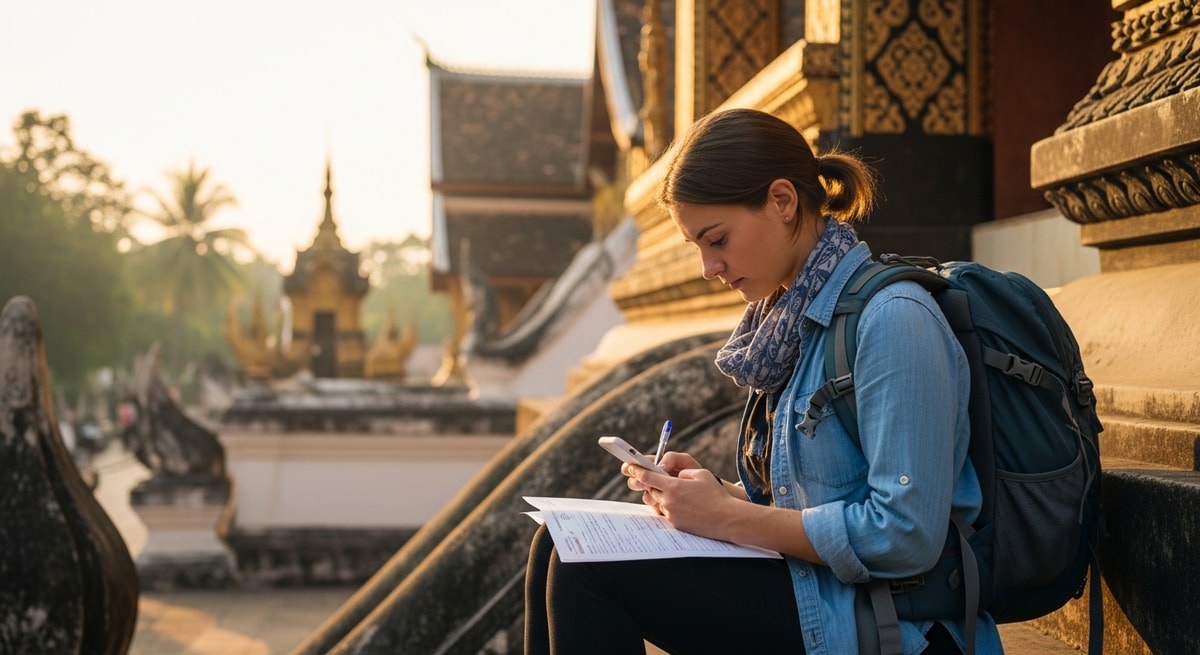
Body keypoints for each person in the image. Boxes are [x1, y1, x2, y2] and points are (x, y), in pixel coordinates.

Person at [523, 107, 1004, 654]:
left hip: (892, 623)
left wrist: (729, 517)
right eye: (698, 247)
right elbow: (805, 501)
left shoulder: (893, 318)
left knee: (586, 569)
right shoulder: (787, 326)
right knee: (556, 543)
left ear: (782, 201)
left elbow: (905, 534)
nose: (708, 267)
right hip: (822, 589)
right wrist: (711, 494)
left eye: (718, 239)